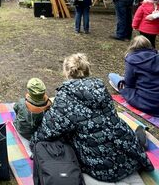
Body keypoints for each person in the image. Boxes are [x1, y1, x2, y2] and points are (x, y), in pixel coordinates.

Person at [31, 53, 153, 182]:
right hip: (130, 157)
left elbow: (49, 129)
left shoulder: (65, 96)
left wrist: (34, 144)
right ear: (87, 70)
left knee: (64, 138)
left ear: (67, 73)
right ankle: (138, 139)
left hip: (101, 169)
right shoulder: (100, 87)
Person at [109, 35, 159, 117]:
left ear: (132, 46)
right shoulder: (156, 57)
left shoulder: (132, 59)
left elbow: (129, 83)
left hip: (145, 102)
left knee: (112, 76)